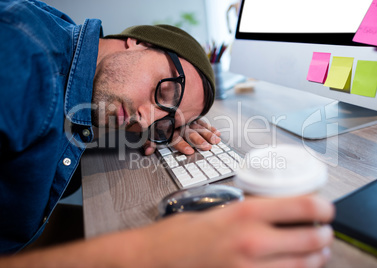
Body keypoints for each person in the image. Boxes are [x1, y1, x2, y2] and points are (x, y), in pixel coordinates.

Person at [0, 0, 335, 267]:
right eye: (165, 93)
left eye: (165, 122)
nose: (146, 121)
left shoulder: (79, 75)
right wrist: (146, 253)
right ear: (137, 42)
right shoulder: (20, 54)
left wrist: (166, 126)